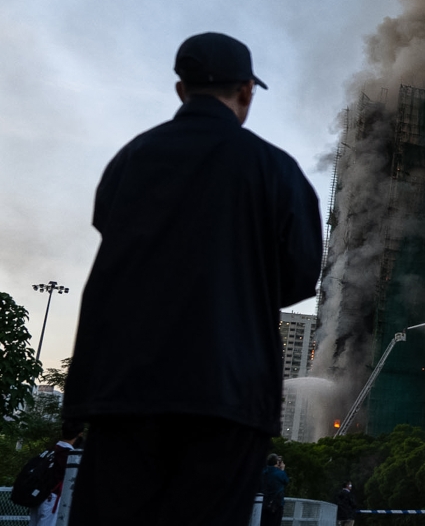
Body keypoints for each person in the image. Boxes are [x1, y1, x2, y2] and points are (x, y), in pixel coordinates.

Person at [62, 32, 323, 525]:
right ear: (246, 91)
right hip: (227, 397)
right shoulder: (278, 171)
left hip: (124, 391)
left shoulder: (131, 159)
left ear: (181, 91)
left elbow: (111, 234)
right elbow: (298, 277)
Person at [28, 421, 85, 526]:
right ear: (80, 434)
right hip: (52, 500)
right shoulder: (69, 456)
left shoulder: (50, 451)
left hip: (38, 498)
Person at [261, 454, 289, 526]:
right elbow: (286, 481)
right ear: (277, 462)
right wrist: (282, 470)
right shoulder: (279, 473)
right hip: (276, 504)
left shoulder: (264, 472)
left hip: (263, 502)